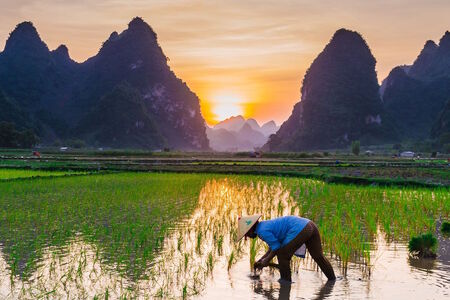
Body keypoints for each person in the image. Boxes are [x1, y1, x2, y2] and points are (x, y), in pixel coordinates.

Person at [236, 215, 336, 282]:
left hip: (300, 228)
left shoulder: (261, 231)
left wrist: (266, 260)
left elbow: (276, 248)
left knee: (282, 255)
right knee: (319, 257)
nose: (247, 237)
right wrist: (262, 260)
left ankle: (285, 283)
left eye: (246, 234)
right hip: (309, 225)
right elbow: (273, 247)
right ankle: (332, 280)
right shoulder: (264, 225)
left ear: (250, 230)